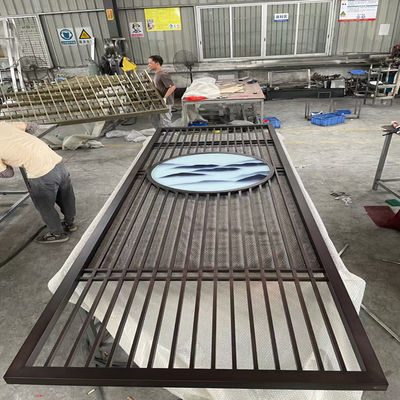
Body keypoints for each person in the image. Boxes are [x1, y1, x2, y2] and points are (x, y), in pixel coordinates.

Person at [0, 122, 77, 243]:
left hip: (41, 173)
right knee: (66, 197)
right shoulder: (2, 124)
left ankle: (57, 234)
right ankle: (70, 224)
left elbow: (8, 173)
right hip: (57, 162)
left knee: (44, 206)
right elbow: (30, 126)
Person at [148, 55, 176, 128]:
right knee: (154, 118)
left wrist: (165, 98)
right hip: (158, 100)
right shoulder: (157, 73)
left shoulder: (163, 74)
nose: (149, 65)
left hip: (165, 102)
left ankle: (168, 134)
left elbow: (172, 87)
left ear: (157, 63)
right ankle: (160, 132)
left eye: (150, 63)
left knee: (165, 121)